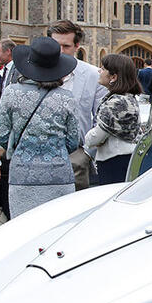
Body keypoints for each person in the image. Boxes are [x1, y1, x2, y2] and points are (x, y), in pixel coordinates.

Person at [0, 37, 80, 219]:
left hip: (23, 173)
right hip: (58, 174)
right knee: (57, 230)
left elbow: (1, 134)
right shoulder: (66, 97)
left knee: (24, 230)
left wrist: (19, 145)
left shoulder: (11, 92)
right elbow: (73, 141)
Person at [46, 20, 107, 190]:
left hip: (76, 155)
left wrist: (87, 152)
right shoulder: (36, 72)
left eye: (66, 46)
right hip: (40, 154)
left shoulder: (92, 75)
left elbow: (102, 117)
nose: (60, 51)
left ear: (76, 46)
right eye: (55, 45)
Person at [84, 54, 142, 185]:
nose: (99, 71)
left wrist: (87, 139)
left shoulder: (115, 102)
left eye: (103, 69)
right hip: (126, 156)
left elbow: (97, 136)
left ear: (113, 77)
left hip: (113, 160)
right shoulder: (128, 97)